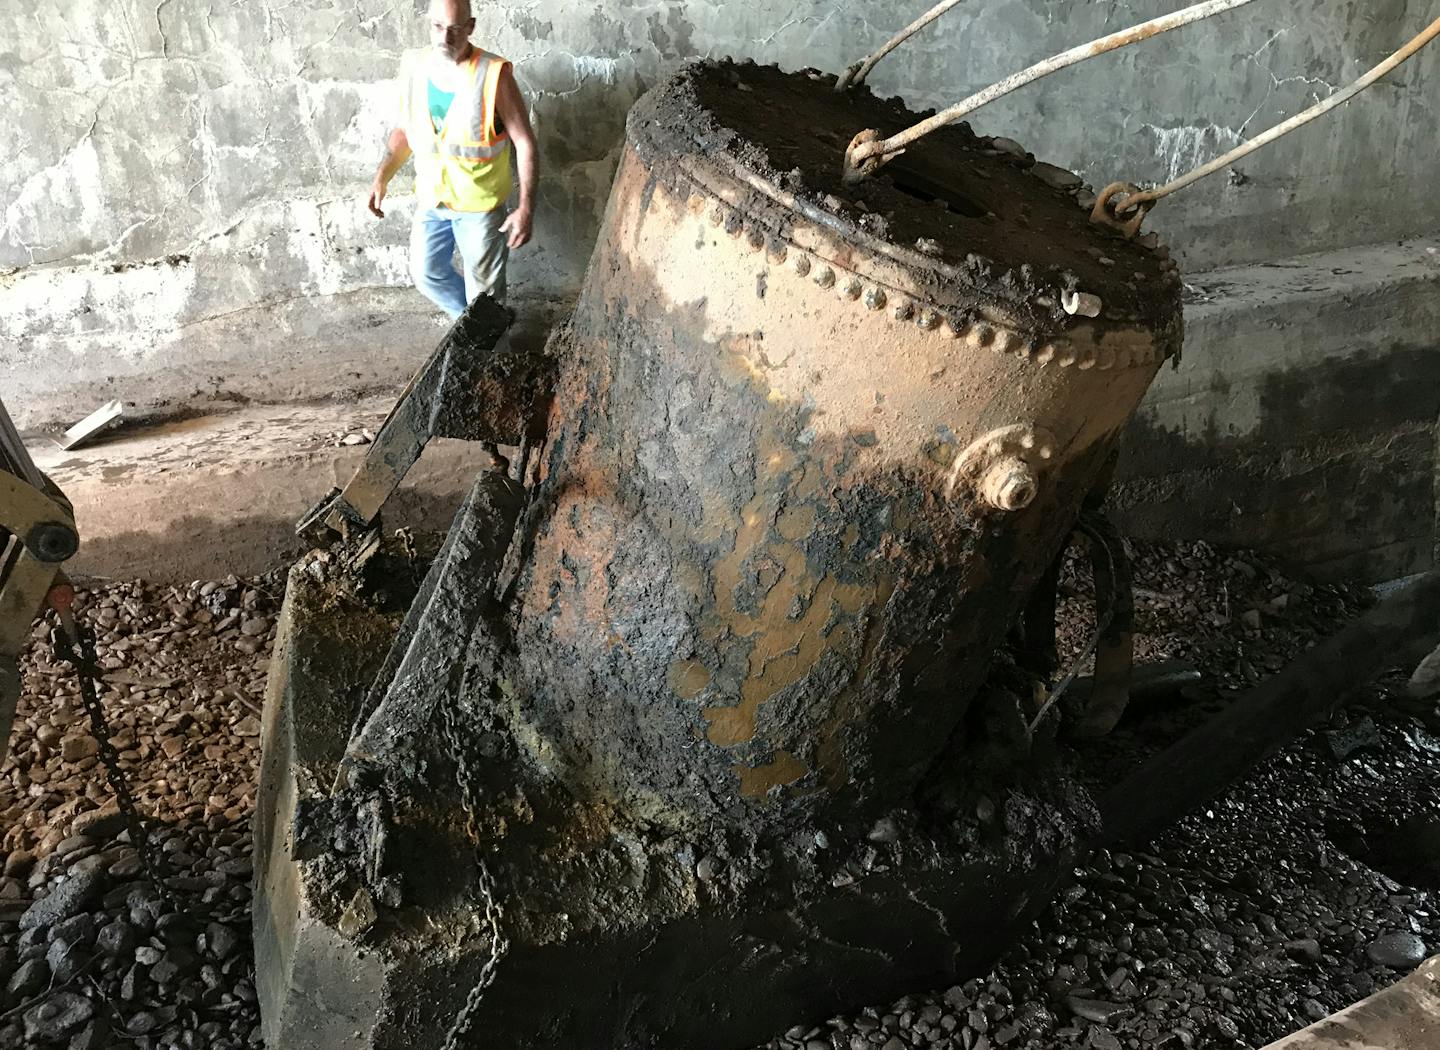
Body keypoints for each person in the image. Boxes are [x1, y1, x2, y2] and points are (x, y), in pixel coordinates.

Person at [366, 0, 538, 318]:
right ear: (428, 24)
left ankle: (491, 356)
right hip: (433, 201)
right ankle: (473, 331)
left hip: (480, 209)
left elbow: (524, 142)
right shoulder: (414, 67)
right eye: (437, 27)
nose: (445, 38)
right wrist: (382, 175)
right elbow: (406, 131)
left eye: (455, 29)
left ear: (470, 27)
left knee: (484, 297)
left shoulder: (493, 75)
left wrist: (526, 208)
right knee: (427, 274)